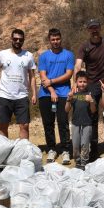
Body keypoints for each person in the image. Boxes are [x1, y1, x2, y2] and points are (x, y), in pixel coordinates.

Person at [74, 19, 104, 161]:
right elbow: (78, 65)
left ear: (100, 28)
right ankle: (93, 150)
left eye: (96, 28)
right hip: (91, 85)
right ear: (88, 30)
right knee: (92, 117)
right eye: (91, 28)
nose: (94, 30)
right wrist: (75, 83)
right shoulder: (84, 46)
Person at [38, 28, 75, 164]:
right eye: (53, 39)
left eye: (57, 39)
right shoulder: (43, 56)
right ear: (49, 40)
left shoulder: (68, 55)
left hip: (64, 93)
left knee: (63, 122)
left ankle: (65, 150)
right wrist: (52, 91)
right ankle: (52, 149)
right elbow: (43, 76)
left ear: (61, 39)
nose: (55, 42)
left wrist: (52, 81)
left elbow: (69, 74)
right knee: (48, 123)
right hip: (46, 94)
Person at [0, 29, 37, 139]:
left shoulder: (28, 55)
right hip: (4, 96)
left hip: (22, 96)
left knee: (24, 125)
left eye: (20, 39)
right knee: (3, 125)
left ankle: (24, 153)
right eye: (15, 39)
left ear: (23, 40)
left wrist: (34, 94)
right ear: (11, 39)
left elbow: (32, 76)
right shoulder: (2, 54)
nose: (18, 41)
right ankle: (3, 152)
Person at [65, 71, 96, 170]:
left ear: (87, 83)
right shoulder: (73, 94)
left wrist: (91, 101)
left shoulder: (90, 94)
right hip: (75, 124)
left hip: (87, 123)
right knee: (75, 145)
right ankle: (77, 161)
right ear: (76, 82)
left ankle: (84, 162)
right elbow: (66, 109)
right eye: (80, 82)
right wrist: (68, 99)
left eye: (84, 82)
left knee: (85, 144)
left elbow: (93, 110)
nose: (82, 84)